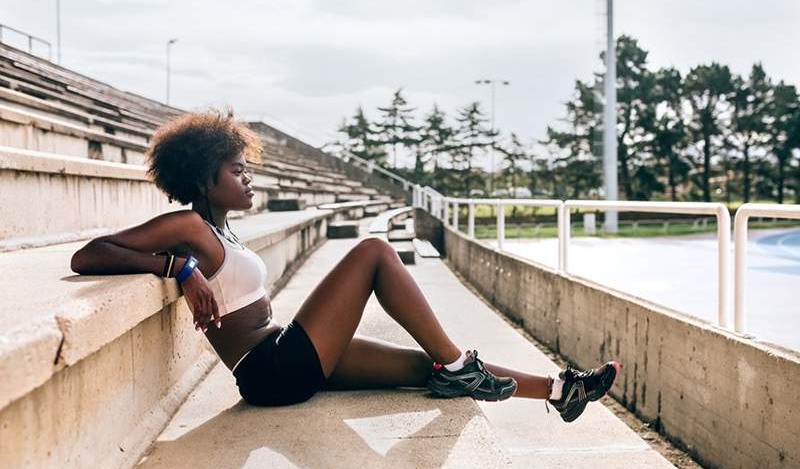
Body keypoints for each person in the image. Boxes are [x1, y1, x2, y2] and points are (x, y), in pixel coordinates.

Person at [70, 109, 619, 423]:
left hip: (283, 356)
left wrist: (189, 269)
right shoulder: (190, 228)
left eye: (246, 169)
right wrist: (180, 269)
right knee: (374, 251)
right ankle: (460, 367)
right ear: (202, 180)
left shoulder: (219, 229)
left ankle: (559, 391)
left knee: (424, 368)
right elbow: (89, 253)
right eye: (238, 171)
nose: (249, 179)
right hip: (271, 370)